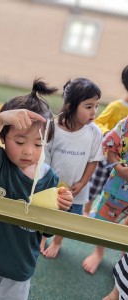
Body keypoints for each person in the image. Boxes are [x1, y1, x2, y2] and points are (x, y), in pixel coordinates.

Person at [0, 78, 73, 300]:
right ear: (3, 138)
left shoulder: (49, 179)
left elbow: (46, 229)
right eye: (19, 142)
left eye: (38, 144)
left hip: (18, 264)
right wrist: (0, 119)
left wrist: (60, 207)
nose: (28, 151)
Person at [40, 77, 104, 258]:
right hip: (50, 186)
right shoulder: (52, 126)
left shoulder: (94, 132)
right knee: (47, 214)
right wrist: (49, 184)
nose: (94, 112)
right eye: (88, 106)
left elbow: (93, 160)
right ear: (69, 107)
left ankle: (57, 242)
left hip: (76, 190)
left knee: (67, 220)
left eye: (96, 106)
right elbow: (45, 158)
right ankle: (43, 236)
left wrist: (83, 183)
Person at [83, 115, 128, 275]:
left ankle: (124, 260)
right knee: (104, 221)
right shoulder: (125, 124)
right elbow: (110, 147)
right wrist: (118, 166)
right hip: (117, 190)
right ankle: (99, 252)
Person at [83, 65, 128, 217]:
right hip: (107, 154)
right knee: (96, 184)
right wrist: (107, 132)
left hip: (124, 160)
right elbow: (99, 122)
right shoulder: (117, 107)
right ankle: (86, 210)